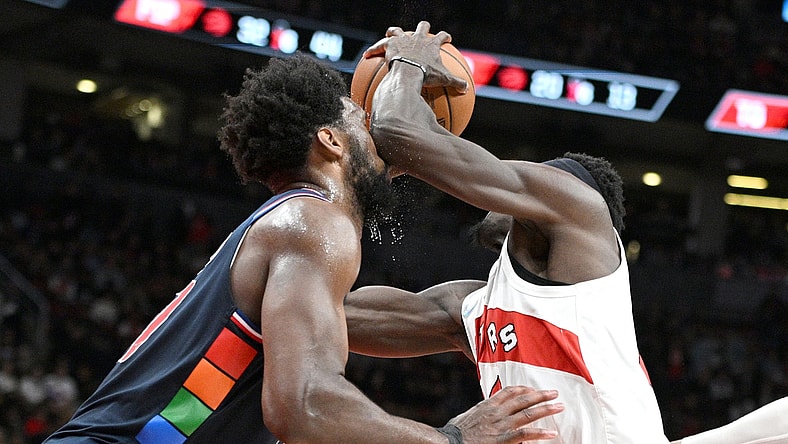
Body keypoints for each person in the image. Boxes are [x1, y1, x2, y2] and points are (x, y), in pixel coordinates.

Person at [43, 53, 564, 443]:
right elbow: (302, 404)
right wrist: (450, 438)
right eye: (363, 122)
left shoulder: (286, 229)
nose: (380, 132)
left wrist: (470, 318)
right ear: (332, 142)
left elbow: (359, 318)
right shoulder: (314, 222)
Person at [344, 21, 787, 444]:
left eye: (540, 178)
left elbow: (396, 130)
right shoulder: (474, 308)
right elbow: (337, 316)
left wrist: (408, 64)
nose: (526, 189)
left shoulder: (578, 209)